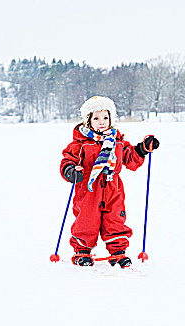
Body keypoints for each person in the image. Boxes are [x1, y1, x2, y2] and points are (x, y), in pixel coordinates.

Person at [60, 96, 159, 268]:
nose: (101, 122)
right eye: (96, 118)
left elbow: (131, 157)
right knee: (86, 220)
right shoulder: (80, 144)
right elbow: (68, 161)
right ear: (88, 120)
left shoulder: (117, 141)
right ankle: (82, 251)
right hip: (88, 190)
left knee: (115, 220)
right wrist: (71, 171)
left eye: (105, 118)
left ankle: (118, 252)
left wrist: (143, 148)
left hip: (113, 188)